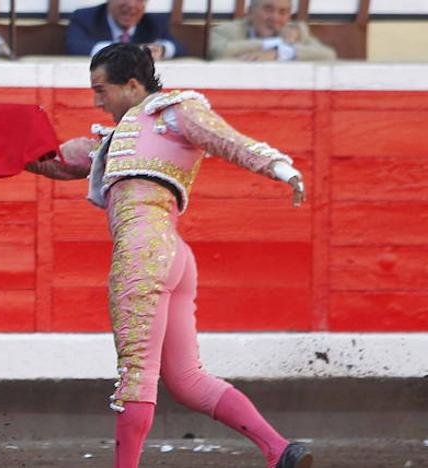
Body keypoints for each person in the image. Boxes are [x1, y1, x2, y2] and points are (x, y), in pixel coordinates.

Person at [26, 43, 311, 468]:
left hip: (143, 249)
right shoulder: (114, 138)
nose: (96, 100)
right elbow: (55, 161)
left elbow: (228, 141)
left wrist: (281, 168)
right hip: (174, 254)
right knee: (186, 379)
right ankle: (279, 450)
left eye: (101, 90)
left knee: (136, 373)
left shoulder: (176, 111)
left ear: (133, 85)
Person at [209, 0, 335, 61]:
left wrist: (279, 53)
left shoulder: (297, 32)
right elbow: (218, 52)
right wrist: (276, 43)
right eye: (268, 9)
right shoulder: (227, 31)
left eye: (283, 12)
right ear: (250, 12)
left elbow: (328, 55)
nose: (275, 18)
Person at [66, 0, 184, 59]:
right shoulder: (85, 17)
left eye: (139, 0)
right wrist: (121, 51)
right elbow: (75, 46)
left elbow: (179, 48)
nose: (131, 5)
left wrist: (161, 49)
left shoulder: (154, 22)